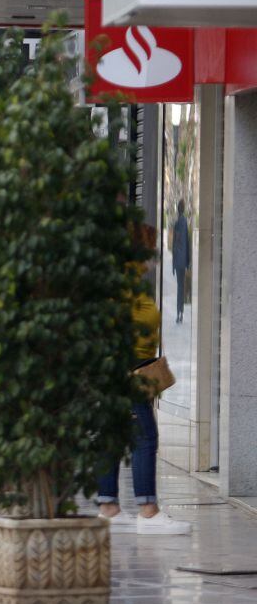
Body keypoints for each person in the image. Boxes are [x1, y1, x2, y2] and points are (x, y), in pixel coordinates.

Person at [97, 225, 191, 535]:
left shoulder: (129, 283)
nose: (154, 258)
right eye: (150, 250)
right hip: (128, 368)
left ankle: (108, 506)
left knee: (113, 435)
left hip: (133, 365)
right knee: (145, 437)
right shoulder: (122, 284)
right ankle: (148, 512)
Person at [172, 200, 190, 324]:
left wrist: (173, 263)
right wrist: (188, 262)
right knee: (181, 287)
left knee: (180, 287)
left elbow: (175, 244)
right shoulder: (184, 223)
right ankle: (181, 313)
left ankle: (179, 313)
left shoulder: (177, 223)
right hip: (183, 261)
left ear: (178, 209)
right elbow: (187, 243)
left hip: (179, 260)